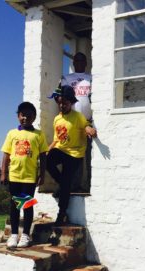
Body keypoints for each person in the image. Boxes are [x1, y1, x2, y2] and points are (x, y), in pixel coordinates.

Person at [47, 85, 97, 225]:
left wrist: (89, 129)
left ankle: (61, 213)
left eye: (66, 103)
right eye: (60, 103)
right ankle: (63, 184)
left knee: (66, 181)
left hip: (75, 154)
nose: (62, 105)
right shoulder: (57, 119)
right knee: (48, 162)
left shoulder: (77, 116)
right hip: (61, 149)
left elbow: (85, 125)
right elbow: (57, 139)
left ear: (71, 103)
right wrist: (48, 150)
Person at [1, 102, 48, 248]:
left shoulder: (38, 135)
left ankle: (26, 235)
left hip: (29, 177)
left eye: (29, 115)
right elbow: (6, 155)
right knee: (14, 206)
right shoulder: (12, 133)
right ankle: (14, 235)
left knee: (27, 205)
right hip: (14, 176)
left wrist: (42, 174)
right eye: (22, 115)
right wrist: (3, 173)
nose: (25, 118)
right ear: (18, 116)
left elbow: (43, 156)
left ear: (34, 117)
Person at [61, 52, 92, 193]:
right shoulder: (66, 79)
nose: (79, 62)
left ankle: (91, 184)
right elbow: (58, 97)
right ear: (73, 63)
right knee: (73, 155)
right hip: (71, 123)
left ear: (86, 62)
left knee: (90, 155)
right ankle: (74, 186)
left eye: (82, 60)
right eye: (76, 60)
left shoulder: (92, 79)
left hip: (88, 123)